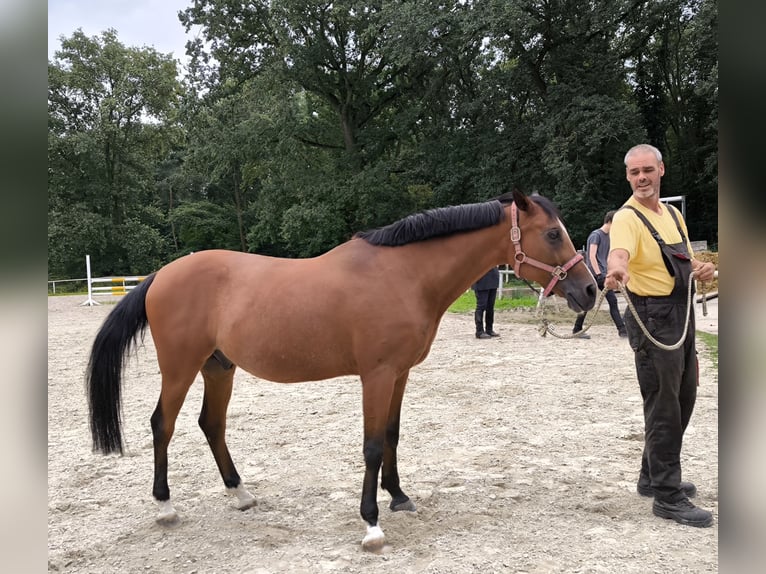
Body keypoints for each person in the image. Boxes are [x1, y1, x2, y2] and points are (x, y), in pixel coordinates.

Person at [605, 143, 717, 528]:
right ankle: (668, 496)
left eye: (647, 170)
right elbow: (619, 254)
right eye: (634, 172)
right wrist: (616, 269)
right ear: (627, 177)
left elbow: (681, 258)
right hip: (652, 318)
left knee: (683, 397)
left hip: (681, 313)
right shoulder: (626, 218)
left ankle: (651, 477)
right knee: (664, 403)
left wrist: (700, 268)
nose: (641, 178)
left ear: (661, 170)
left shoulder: (671, 214)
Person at [572, 210, 627, 339]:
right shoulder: (596, 235)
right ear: (610, 221)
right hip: (593, 274)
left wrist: (608, 272)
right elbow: (592, 256)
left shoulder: (609, 237)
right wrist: (598, 274)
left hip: (602, 273)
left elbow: (607, 257)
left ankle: (622, 330)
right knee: (587, 302)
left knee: (612, 301)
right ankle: (577, 329)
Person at [472, 266, 500, 339]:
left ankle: (489, 329)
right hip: (481, 279)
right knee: (481, 306)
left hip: (493, 277)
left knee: (490, 307)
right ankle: (479, 331)